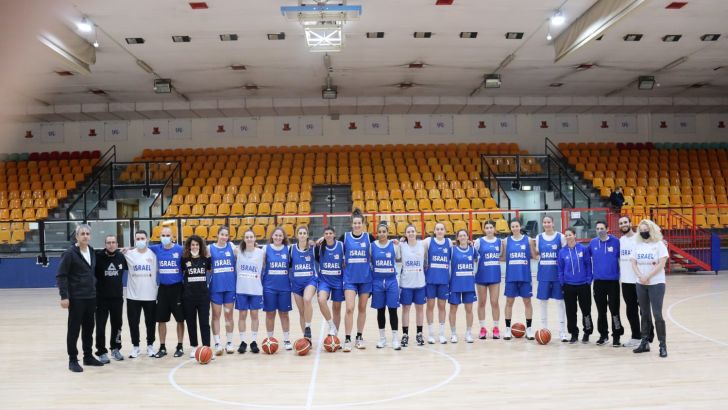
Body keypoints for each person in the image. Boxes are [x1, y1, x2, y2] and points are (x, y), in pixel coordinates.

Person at [57, 224, 102, 372]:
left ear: (90, 236)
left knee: (89, 328)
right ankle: (72, 359)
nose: (85, 236)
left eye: (87, 234)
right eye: (82, 234)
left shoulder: (92, 251)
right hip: (76, 298)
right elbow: (61, 275)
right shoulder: (69, 253)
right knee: (74, 329)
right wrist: (64, 296)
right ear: (76, 236)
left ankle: (88, 356)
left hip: (91, 297)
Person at [337, 209, 376, 352]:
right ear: (351, 224)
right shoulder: (345, 237)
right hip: (350, 279)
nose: (357, 225)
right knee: (349, 308)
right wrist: (322, 240)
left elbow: (381, 246)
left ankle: (359, 337)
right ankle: (347, 338)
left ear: (363, 224)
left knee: (362, 308)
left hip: (365, 279)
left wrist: (398, 242)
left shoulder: (369, 237)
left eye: (359, 223)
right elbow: (332, 245)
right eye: (355, 223)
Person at [631, 219, 669, 358]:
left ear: (651, 230)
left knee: (657, 314)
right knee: (645, 313)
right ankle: (644, 343)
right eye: (641, 230)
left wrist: (648, 276)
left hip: (656, 283)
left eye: (646, 229)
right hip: (641, 283)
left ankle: (662, 345)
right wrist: (640, 276)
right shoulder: (637, 245)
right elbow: (633, 263)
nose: (643, 232)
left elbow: (661, 264)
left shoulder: (659, 244)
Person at [149, 226, 185, 358]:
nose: (165, 238)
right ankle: (162, 347)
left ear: (173, 237)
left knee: (180, 319)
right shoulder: (156, 248)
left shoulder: (180, 249)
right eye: (163, 235)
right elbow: (141, 249)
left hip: (177, 289)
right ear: (159, 237)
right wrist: (128, 250)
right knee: (161, 320)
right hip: (163, 289)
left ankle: (180, 346)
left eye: (167, 235)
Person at [531, 216, 567, 342]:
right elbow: (537, 254)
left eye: (549, 222)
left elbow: (565, 254)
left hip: (557, 275)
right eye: (545, 222)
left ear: (553, 223)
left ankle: (562, 331)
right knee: (543, 302)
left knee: (560, 302)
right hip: (544, 275)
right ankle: (544, 329)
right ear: (542, 224)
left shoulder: (561, 237)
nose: (547, 224)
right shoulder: (539, 237)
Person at [618, 216, 652, 348]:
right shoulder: (620, 241)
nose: (623, 225)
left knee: (644, 310)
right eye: (621, 223)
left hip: (640, 280)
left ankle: (647, 336)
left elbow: (653, 244)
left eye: (625, 222)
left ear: (630, 223)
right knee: (631, 310)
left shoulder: (639, 238)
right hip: (626, 281)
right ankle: (635, 336)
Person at [123, 230, 158, 359]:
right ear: (134, 240)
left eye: (142, 238)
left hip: (150, 295)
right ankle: (135, 347)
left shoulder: (154, 254)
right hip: (133, 296)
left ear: (147, 239)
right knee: (133, 322)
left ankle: (150, 346)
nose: (140, 241)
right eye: (138, 239)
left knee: (150, 323)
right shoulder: (128, 254)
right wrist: (124, 250)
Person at [94, 234, 127, 363]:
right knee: (101, 326)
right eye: (109, 242)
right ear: (105, 244)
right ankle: (101, 351)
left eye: (113, 242)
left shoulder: (121, 257)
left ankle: (115, 348)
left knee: (117, 325)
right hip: (101, 299)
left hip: (117, 298)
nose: (111, 244)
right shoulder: (98, 257)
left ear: (117, 244)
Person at [589, 221, 624, 347]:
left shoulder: (616, 242)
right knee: (601, 311)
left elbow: (625, 255)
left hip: (613, 282)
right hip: (598, 282)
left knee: (614, 310)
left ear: (607, 229)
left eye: (602, 228)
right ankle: (603, 335)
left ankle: (616, 336)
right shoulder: (593, 243)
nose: (600, 230)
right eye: (597, 228)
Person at [558, 228, 593, 344]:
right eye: (566, 235)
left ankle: (587, 332)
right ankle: (573, 333)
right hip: (569, 286)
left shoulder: (583, 249)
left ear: (574, 235)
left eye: (570, 235)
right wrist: (562, 283)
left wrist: (588, 280)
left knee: (586, 310)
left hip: (583, 285)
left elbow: (588, 265)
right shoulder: (562, 252)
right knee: (571, 312)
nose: (568, 237)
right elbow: (560, 269)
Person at [370, 222, 401, 350]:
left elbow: (398, 258)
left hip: (391, 281)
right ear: (377, 233)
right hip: (377, 281)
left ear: (388, 233)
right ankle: (382, 339)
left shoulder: (394, 246)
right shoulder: (372, 246)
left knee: (393, 310)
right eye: (380, 232)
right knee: (380, 310)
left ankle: (395, 339)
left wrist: (400, 242)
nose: (382, 234)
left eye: (384, 231)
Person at [502, 220, 535, 340]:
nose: (515, 228)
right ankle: (507, 329)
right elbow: (502, 257)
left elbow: (534, 255)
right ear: (510, 228)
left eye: (517, 226)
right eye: (513, 226)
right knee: (509, 302)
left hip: (525, 277)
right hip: (511, 277)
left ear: (520, 227)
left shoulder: (528, 240)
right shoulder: (506, 241)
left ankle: (529, 329)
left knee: (527, 302)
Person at [181, 235, 212, 358]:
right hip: (189, 297)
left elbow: (210, 271)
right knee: (191, 323)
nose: (195, 247)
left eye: (197, 245)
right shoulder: (184, 260)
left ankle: (207, 347)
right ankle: (194, 347)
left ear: (200, 246)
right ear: (189, 246)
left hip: (203, 296)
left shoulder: (206, 259)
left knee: (204, 323)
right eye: (192, 245)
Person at [262, 227, 293, 351]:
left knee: (284, 314)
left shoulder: (288, 249)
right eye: (276, 235)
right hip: (269, 287)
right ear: (272, 236)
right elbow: (261, 265)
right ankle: (270, 339)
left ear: (283, 237)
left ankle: (286, 339)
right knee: (270, 313)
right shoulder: (266, 249)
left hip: (284, 287)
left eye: (280, 235)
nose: (278, 237)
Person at [208, 226, 237, 355]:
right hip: (216, 288)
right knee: (216, 315)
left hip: (230, 287)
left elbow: (244, 254)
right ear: (217, 235)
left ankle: (229, 342)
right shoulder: (210, 248)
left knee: (229, 315)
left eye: (226, 235)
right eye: (222, 234)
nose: (224, 237)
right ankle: (217, 343)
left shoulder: (231, 246)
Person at [235, 230, 264, 354]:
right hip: (241, 289)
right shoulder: (237, 251)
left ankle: (253, 341)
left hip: (255, 289)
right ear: (244, 239)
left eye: (251, 237)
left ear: (255, 238)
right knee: (242, 315)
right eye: (247, 237)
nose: (249, 239)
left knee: (254, 315)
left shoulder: (261, 252)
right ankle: (242, 341)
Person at [398, 224, 427, 347]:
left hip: (420, 283)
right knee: (406, 309)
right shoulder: (401, 245)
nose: (411, 233)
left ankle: (419, 333)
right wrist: (398, 241)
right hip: (406, 284)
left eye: (412, 231)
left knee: (420, 309)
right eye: (408, 232)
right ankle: (405, 334)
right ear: (405, 234)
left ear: (416, 232)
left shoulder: (423, 244)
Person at [423, 222, 452, 344]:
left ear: (445, 231)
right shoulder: (428, 241)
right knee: (430, 306)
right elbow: (416, 247)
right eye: (437, 229)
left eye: (441, 229)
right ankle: (431, 334)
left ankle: (441, 334)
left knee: (442, 307)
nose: (439, 231)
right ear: (434, 231)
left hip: (443, 280)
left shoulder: (449, 242)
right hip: (431, 280)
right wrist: (403, 240)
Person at [474, 220, 502, 339]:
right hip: (481, 275)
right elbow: (474, 257)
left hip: (494, 276)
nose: (489, 229)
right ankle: (482, 328)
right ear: (484, 229)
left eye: (491, 227)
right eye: (487, 227)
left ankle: (496, 328)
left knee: (494, 302)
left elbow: (500, 256)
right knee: (482, 302)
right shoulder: (479, 242)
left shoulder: (499, 242)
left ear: (494, 229)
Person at [290, 226, 318, 340]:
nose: (302, 235)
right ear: (297, 235)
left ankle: (308, 327)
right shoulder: (291, 249)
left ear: (307, 235)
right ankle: (307, 339)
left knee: (307, 299)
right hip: (296, 283)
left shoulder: (312, 247)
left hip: (310, 280)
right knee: (301, 312)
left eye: (304, 233)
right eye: (300, 233)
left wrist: (319, 241)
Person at [448, 229, 477, 343]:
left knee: (469, 309)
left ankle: (468, 333)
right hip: (455, 284)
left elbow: (478, 262)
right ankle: (453, 334)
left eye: (464, 235)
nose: (463, 237)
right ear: (457, 238)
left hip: (469, 284)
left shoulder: (473, 250)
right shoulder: (452, 250)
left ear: (467, 237)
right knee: (453, 309)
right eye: (460, 235)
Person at [315, 226, 344, 338]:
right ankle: (332, 326)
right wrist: (316, 242)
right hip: (324, 281)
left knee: (337, 308)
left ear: (334, 234)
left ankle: (334, 337)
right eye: (326, 233)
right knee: (321, 300)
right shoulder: (320, 246)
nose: (328, 235)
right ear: (324, 235)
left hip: (338, 281)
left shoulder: (341, 245)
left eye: (330, 233)